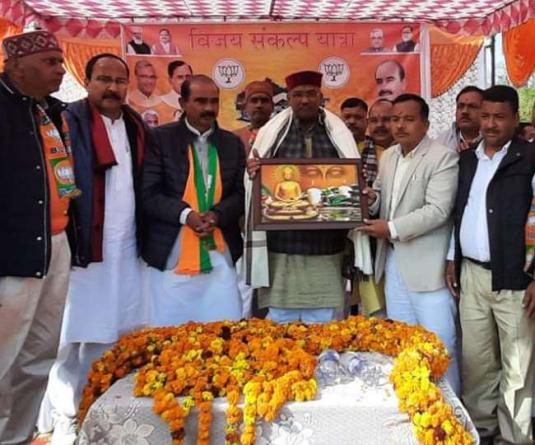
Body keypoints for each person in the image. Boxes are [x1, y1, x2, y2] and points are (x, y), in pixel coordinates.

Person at [43, 53, 149, 445]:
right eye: (103, 79)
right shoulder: (66, 122)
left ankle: (104, 409)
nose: (112, 87)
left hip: (126, 246)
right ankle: (66, 415)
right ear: (86, 82)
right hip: (82, 245)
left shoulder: (136, 125)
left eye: (119, 81)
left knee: (115, 328)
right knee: (70, 334)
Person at [446, 85, 535, 445]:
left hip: (516, 278)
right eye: (485, 116)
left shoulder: (530, 158)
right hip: (472, 274)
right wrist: (452, 257)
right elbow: (460, 212)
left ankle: (514, 438)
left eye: (499, 117)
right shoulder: (468, 159)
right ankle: (481, 430)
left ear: (515, 118)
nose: (490, 124)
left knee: (517, 366)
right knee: (477, 361)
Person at [0, 30, 77, 445]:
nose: (61, 70)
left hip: (55, 243)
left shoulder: (49, 110)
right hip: (13, 251)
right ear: (15, 66)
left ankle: (18, 437)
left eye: (60, 61)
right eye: (50, 62)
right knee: (3, 356)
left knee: (39, 355)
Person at [360, 93, 460, 394]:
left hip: (427, 268)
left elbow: (438, 210)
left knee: (439, 345)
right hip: (394, 262)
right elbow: (382, 197)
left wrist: (390, 228)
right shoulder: (390, 156)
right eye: (395, 119)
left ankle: (449, 409)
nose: (399, 125)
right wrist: (370, 199)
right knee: (403, 340)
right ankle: (414, 402)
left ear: (425, 124)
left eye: (408, 119)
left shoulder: (443, 157)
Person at [244, 70, 361, 324]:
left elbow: (349, 179)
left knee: (324, 322)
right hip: (282, 244)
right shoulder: (272, 133)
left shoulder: (337, 133)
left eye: (311, 94)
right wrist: (254, 171)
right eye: (298, 95)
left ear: (321, 97)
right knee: (280, 320)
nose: (305, 100)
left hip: (326, 245)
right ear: (288, 98)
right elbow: (259, 183)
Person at [143, 75, 245, 325]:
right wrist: (185, 215)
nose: (208, 108)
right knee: (169, 333)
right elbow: (149, 193)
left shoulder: (231, 143)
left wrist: (218, 214)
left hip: (220, 250)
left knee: (224, 327)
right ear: (182, 103)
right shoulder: (160, 139)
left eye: (214, 101)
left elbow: (241, 194)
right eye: (200, 101)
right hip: (172, 251)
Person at [436, 85, 483, 152]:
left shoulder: (493, 141)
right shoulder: (442, 142)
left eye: (472, 106)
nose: (465, 111)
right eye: (460, 106)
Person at [234, 80, 274, 155]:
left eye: (264, 101)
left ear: (272, 107)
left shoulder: (282, 135)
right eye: (254, 101)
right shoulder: (234, 137)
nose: (259, 105)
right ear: (245, 107)